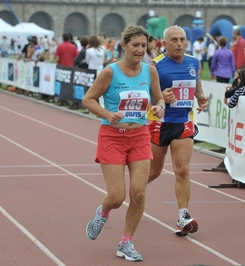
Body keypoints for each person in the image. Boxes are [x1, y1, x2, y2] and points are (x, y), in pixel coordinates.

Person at [82, 25, 165, 262]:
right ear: (124, 45)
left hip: (140, 136)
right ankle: (103, 212)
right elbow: (88, 99)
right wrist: (107, 114)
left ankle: (126, 242)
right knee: (117, 196)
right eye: (135, 45)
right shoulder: (110, 72)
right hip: (112, 137)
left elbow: (158, 97)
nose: (140, 50)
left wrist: (160, 106)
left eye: (143, 45)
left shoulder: (150, 72)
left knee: (138, 193)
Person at [147, 25, 209, 236]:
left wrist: (200, 96)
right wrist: (161, 97)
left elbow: (196, 81)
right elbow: (145, 95)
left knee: (182, 169)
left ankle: (183, 216)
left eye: (182, 39)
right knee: (153, 172)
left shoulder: (193, 62)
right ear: (164, 44)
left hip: (183, 121)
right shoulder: (154, 66)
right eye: (174, 40)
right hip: (159, 122)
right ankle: (130, 191)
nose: (179, 44)